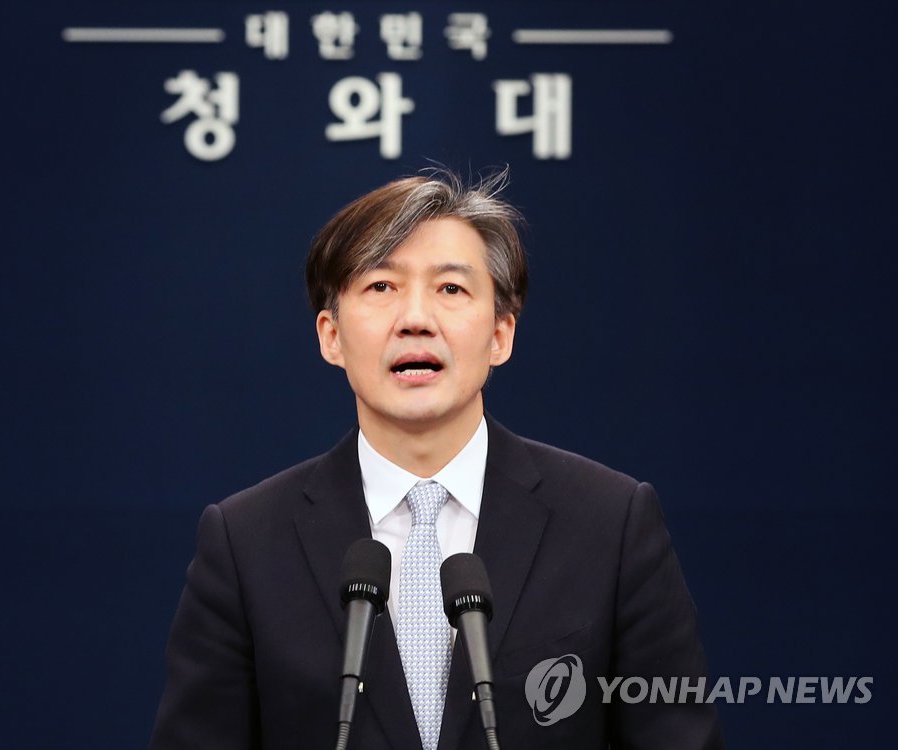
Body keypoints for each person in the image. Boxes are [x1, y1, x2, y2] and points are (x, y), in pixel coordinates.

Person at [149, 170, 724, 750]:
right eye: (381, 286)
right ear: (331, 336)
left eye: (451, 289)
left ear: (500, 334)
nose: (416, 318)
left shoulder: (610, 522)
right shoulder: (246, 542)